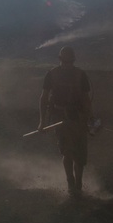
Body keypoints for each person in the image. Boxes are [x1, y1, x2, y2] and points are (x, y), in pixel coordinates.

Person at [39, 46, 92, 196]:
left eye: (69, 61)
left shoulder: (81, 75)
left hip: (78, 119)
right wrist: (42, 122)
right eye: (65, 61)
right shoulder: (51, 74)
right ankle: (71, 183)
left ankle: (79, 184)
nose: (67, 63)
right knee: (67, 152)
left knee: (80, 154)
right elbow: (43, 98)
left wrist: (89, 118)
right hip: (60, 118)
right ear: (60, 60)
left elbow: (86, 99)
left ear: (72, 61)